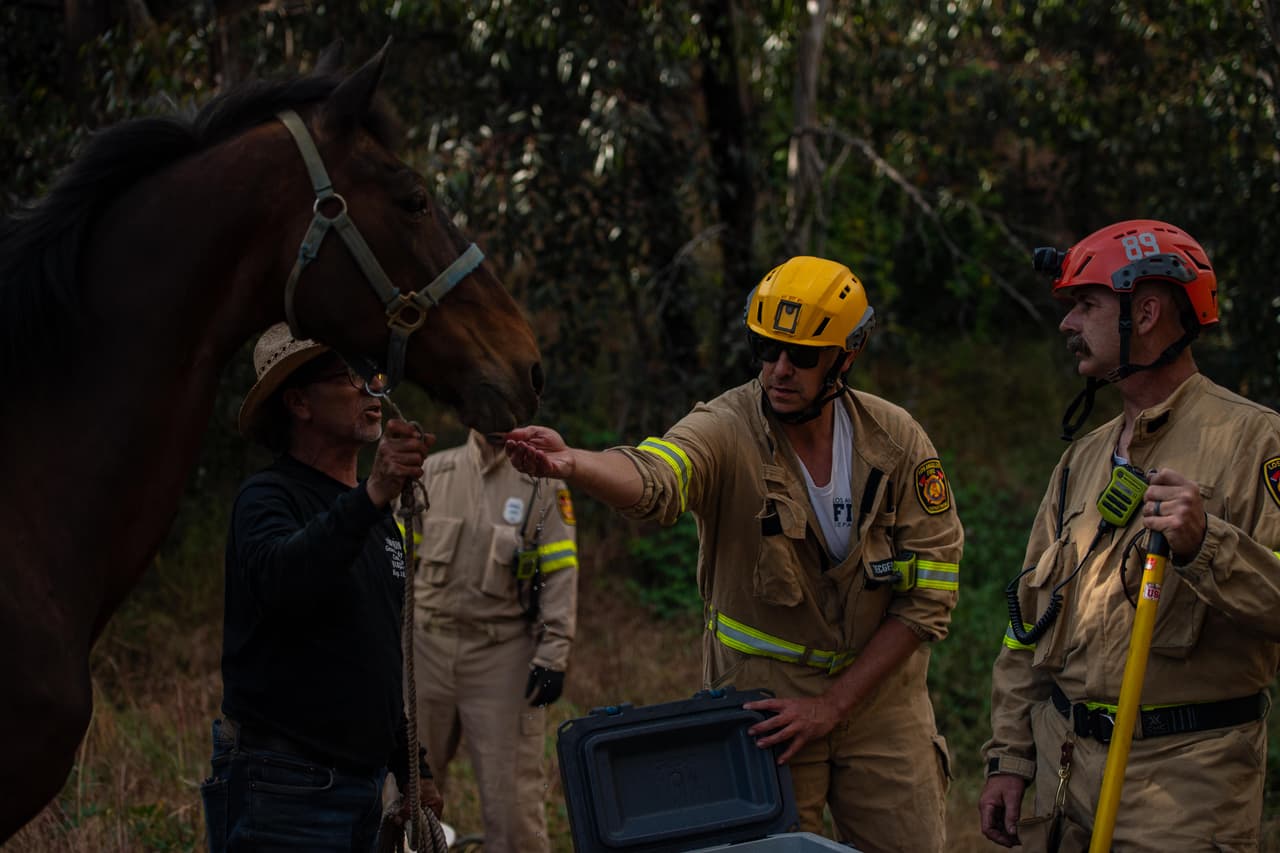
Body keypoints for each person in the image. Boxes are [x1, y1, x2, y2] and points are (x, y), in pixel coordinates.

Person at [505, 256, 962, 850]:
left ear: (846, 356)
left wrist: (834, 704)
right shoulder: (724, 427)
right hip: (763, 710)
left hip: (881, 705)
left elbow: (929, 596)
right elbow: (655, 477)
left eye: (800, 356)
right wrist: (575, 463)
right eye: (765, 348)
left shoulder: (897, 440)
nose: (778, 369)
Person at [979, 219, 1280, 851]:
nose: (1067, 324)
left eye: (1085, 305)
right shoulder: (1081, 460)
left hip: (1185, 792)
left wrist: (1208, 546)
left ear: (1145, 312)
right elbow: (1027, 622)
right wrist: (1009, 758)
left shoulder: (1256, 442)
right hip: (1067, 780)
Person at [199, 322, 444, 853]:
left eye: (372, 374)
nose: (371, 388)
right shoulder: (266, 498)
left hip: (361, 789)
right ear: (299, 403)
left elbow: (380, 654)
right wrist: (374, 492)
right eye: (349, 376)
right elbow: (285, 583)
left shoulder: (377, 517)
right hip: (284, 786)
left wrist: (413, 768)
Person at [408, 429, 579, 853]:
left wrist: (554, 652)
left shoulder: (543, 482)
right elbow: (395, 561)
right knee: (405, 796)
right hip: (426, 650)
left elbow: (560, 570)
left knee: (514, 807)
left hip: (502, 655)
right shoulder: (430, 472)